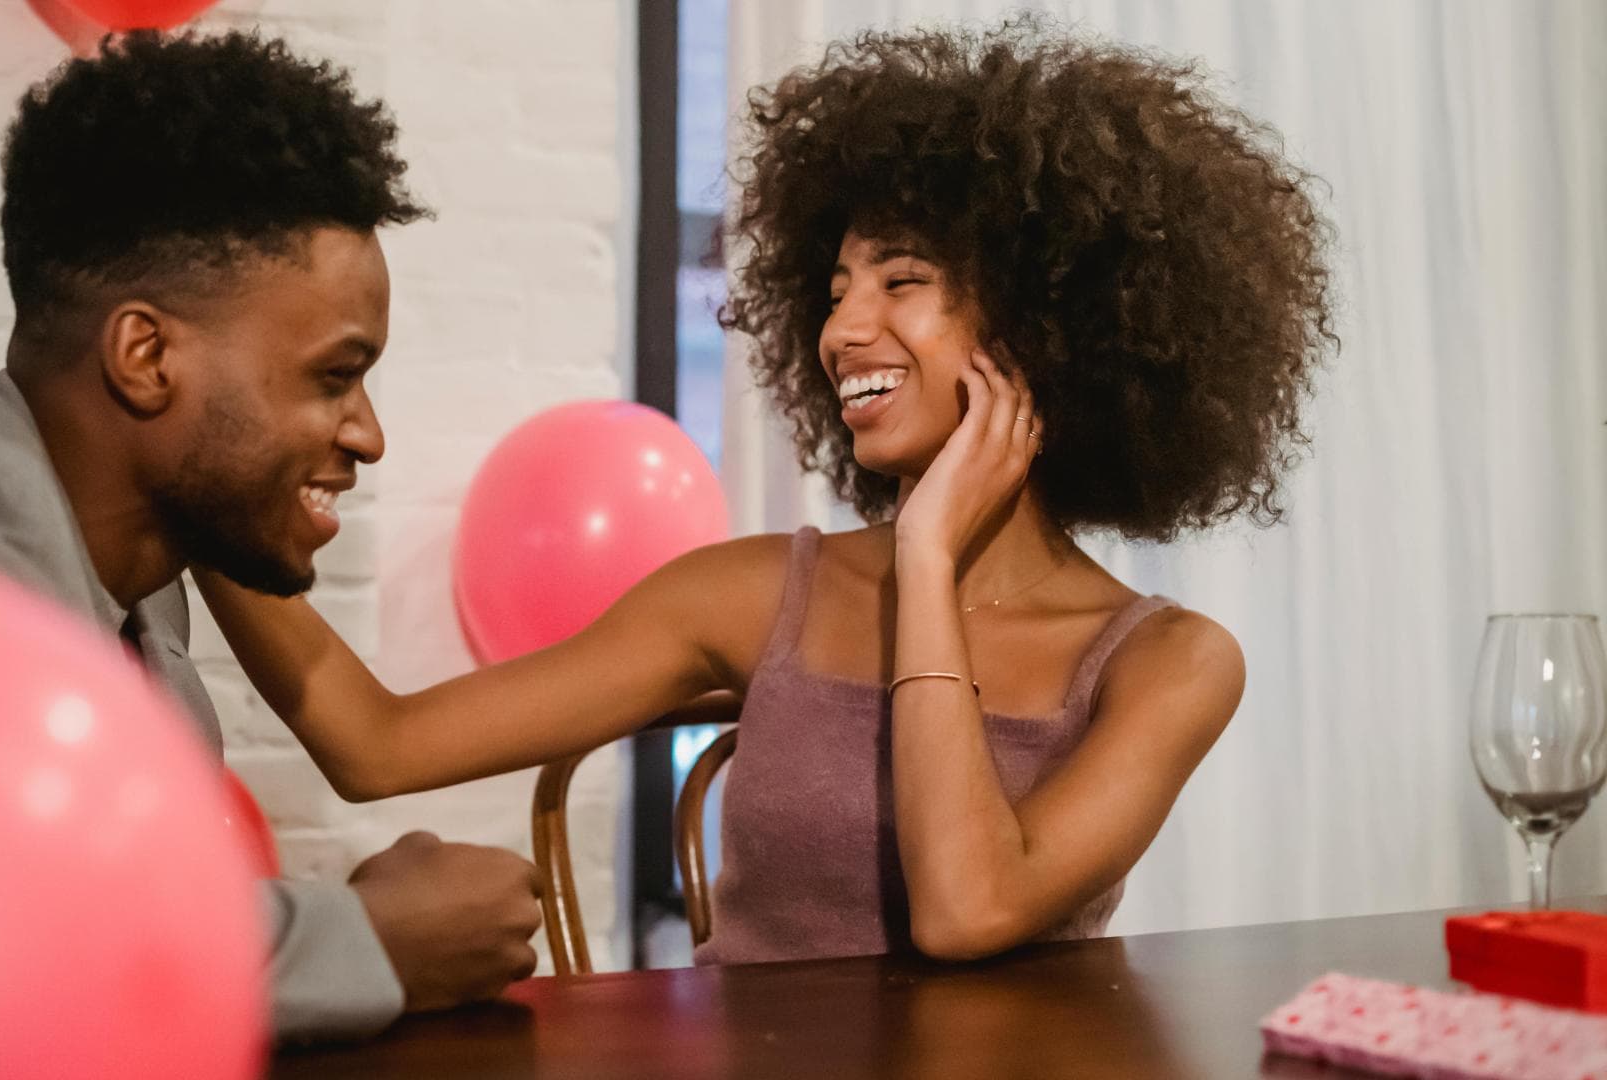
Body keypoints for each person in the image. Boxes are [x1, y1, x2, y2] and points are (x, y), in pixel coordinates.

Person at [198, 17, 1335, 967]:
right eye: (835, 291)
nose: (843, 330)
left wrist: (926, 556)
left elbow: (968, 911)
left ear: (1045, 321)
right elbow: (380, 745)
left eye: (901, 281)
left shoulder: (1168, 663)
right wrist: (193, 486)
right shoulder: (748, 595)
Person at [0, 31, 542, 1039]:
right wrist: (376, 938)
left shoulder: (134, 575)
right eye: (335, 376)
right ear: (146, 356)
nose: (367, 434)